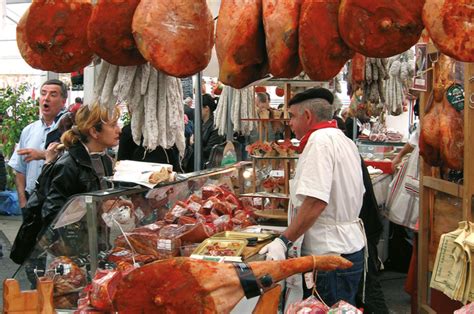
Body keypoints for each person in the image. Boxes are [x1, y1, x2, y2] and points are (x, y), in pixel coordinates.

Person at [259, 88, 366, 307]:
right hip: (348, 248)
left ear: (307, 116)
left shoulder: (319, 142)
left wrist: (284, 240)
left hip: (327, 255)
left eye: (292, 116)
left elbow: (316, 201)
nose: (289, 123)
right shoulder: (344, 140)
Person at [8, 79, 67, 211]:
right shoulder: (29, 130)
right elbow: (19, 169)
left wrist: (41, 155)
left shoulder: (69, 131)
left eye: (53, 95)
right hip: (31, 200)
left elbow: (71, 162)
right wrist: (23, 202)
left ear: (63, 102)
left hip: (58, 202)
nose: (46, 98)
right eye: (43, 93)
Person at [201, 94, 225, 168]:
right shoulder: (201, 123)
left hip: (208, 167)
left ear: (206, 108)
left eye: (199, 108)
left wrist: (193, 144)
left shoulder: (215, 126)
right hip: (200, 164)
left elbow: (210, 151)